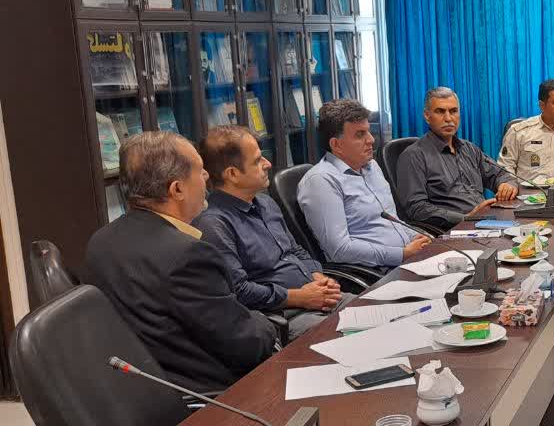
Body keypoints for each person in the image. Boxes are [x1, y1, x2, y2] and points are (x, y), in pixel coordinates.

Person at [85, 131, 277, 392]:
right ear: (177, 189)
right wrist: (266, 323)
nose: (207, 176)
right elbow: (246, 344)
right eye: (199, 170)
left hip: (140, 388)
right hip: (212, 394)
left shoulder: (100, 240)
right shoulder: (188, 255)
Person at [194, 125, 346, 341]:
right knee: (356, 340)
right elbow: (239, 290)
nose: (268, 164)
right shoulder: (214, 224)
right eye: (257, 161)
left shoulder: (266, 203)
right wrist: (299, 297)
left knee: (381, 314)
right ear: (233, 174)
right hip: (286, 316)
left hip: (317, 297)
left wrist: (318, 276)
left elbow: (295, 250)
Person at [299, 99, 431, 269]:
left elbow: (393, 222)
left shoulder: (372, 166)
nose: (371, 139)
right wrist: (402, 254)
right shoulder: (321, 181)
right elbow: (339, 250)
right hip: (377, 273)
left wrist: (419, 237)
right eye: (360, 134)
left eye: (368, 131)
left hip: (409, 259)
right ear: (336, 144)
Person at [397, 87, 520, 232]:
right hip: (453, 231)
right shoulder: (413, 155)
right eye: (440, 111)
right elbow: (416, 208)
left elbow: (500, 174)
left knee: (531, 232)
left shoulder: (469, 149)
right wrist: (465, 218)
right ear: (427, 116)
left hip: (486, 222)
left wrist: (507, 184)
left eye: (453, 111)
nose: (448, 118)